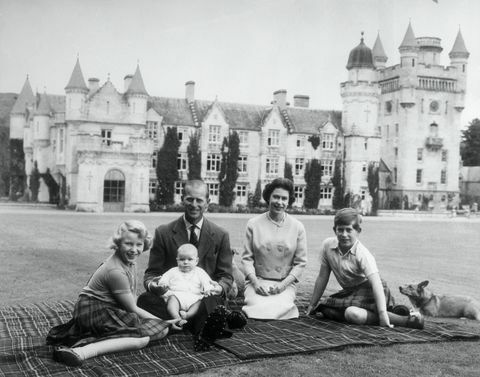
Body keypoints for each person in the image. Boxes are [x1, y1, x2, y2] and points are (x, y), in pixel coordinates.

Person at [46, 220, 174, 367]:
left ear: (144, 244)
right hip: (92, 310)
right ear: (118, 243)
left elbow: (132, 297)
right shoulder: (115, 271)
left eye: (138, 244)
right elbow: (132, 308)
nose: (134, 249)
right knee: (143, 338)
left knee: (157, 330)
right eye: (128, 244)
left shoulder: (130, 261)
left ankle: (95, 340)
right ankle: (81, 351)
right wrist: (164, 322)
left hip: (107, 308)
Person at [137, 179, 241, 350]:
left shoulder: (221, 235)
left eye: (199, 200)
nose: (194, 204)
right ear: (182, 200)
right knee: (145, 300)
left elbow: (226, 276)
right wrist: (154, 285)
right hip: (171, 298)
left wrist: (219, 288)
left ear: (208, 203)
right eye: (189, 199)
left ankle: (186, 326)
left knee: (214, 302)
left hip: (203, 298)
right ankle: (202, 325)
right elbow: (151, 273)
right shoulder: (163, 232)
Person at [306, 208, 424, 329]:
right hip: (350, 292)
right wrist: (312, 304)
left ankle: (405, 320)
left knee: (352, 314)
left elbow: (376, 284)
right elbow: (322, 277)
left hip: (372, 290)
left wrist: (382, 315)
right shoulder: (327, 246)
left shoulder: (362, 254)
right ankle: (396, 311)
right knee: (325, 309)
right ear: (334, 230)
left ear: (358, 231)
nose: (344, 234)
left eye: (349, 230)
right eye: (340, 230)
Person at [241, 177, 307, 319]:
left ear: (289, 201)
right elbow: (246, 259)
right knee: (258, 308)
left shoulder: (297, 227)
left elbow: (301, 263)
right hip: (258, 281)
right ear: (268, 198)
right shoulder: (253, 224)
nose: (279, 202)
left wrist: (283, 285)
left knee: (278, 309)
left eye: (284, 198)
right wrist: (255, 283)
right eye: (276, 197)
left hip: (284, 283)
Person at [157, 243, 215, 329]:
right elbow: (163, 279)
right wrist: (163, 283)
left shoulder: (200, 272)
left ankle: (187, 315)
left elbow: (207, 282)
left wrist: (208, 289)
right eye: (182, 259)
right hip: (177, 296)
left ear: (196, 261)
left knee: (200, 303)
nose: (185, 262)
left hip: (194, 297)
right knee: (172, 300)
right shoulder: (173, 271)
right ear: (177, 260)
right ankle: (176, 317)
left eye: (190, 259)